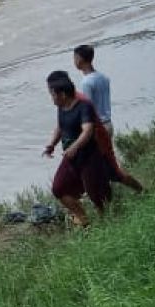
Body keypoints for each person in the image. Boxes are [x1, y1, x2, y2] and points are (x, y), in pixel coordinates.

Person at [44, 71, 112, 228]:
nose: (51, 98)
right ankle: (83, 219)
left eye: (52, 94)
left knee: (97, 195)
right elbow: (60, 127)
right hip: (71, 158)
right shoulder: (61, 106)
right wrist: (51, 145)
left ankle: (107, 224)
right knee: (58, 188)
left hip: (89, 157)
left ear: (62, 94)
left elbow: (87, 130)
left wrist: (74, 146)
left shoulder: (83, 106)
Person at [73, 45, 144, 193]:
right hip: (108, 124)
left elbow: (88, 109)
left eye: (75, 58)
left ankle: (137, 189)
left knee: (105, 167)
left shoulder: (86, 82)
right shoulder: (103, 77)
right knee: (103, 165)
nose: (74, 61)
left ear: (80, 59)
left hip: (98, 129)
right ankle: (109, 194)